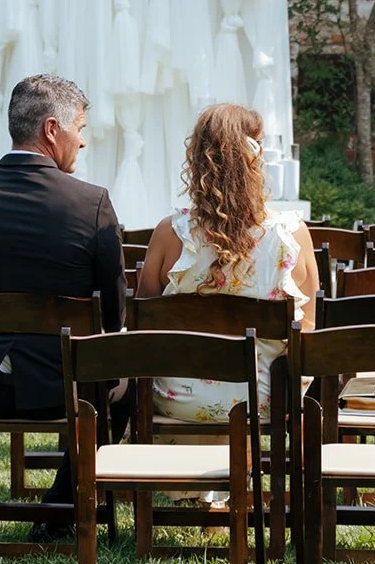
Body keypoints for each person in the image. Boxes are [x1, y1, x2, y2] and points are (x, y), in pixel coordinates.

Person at [0, 73, 126, 539]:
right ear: (52, 129)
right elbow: (112, 317)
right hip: (66, 389)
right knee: (124, 383)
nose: (83, 141)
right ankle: (62, 506)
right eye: (80, 128)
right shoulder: (91, 204)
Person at [136, 102, 318, 421]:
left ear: (197, 160)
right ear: (257, 158)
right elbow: (310, 327)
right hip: (265, 397)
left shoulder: (169, 234)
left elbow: (143, 321)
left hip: (179, 396)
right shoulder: (292, 234)